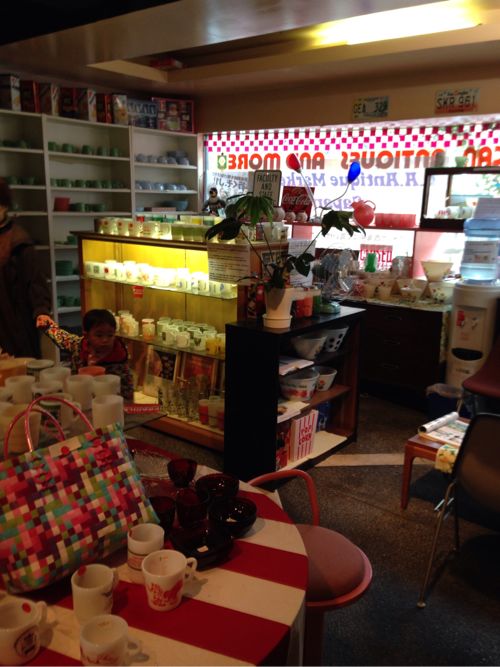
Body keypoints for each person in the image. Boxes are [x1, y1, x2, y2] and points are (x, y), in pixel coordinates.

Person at [0, 178, 52, 358]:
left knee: (20, 367)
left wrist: (41, 311)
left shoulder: (18, 242)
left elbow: (35, 282)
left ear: (4, 206)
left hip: (13, 322)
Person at [37, 309, 134, 400]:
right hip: (78, 397)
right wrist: (48, 327)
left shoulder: (119, 360)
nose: (105, 340)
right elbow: (63, 338)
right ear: (86, 335)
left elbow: (128, 391)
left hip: (104, 403)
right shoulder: (79, 345)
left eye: (110, 335)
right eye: (99, 335)